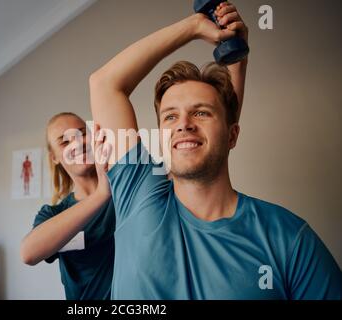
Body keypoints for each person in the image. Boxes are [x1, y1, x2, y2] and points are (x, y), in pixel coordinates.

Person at [89, 2, 342, 299]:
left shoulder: (287, 238)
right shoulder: (139, 194)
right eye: (170, 116)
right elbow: (105, 83)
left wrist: (237, 61)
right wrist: (194, 26)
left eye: (200, 113)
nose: (183, 124)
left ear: (233, 135)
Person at [20, 112, 115, 300]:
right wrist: (101, 194)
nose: (78, 144)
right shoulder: (53, 214)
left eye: (82, 134)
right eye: (64, 142)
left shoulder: (126, 190)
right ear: (54, 157)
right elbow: (28, 254)